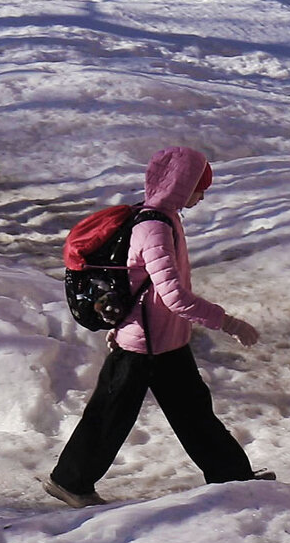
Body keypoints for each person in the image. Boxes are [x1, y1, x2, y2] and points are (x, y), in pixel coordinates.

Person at [44, 146, 266, 508]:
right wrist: (229, 323)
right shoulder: (153, 228)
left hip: (166, 343)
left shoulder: (167, 218)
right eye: (199, 186)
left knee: (194, 412)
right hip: (143, 346)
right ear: (180, 185)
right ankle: (70, 481)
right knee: (110, 415)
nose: (203, 194)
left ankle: (233, 477)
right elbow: (174, 296)